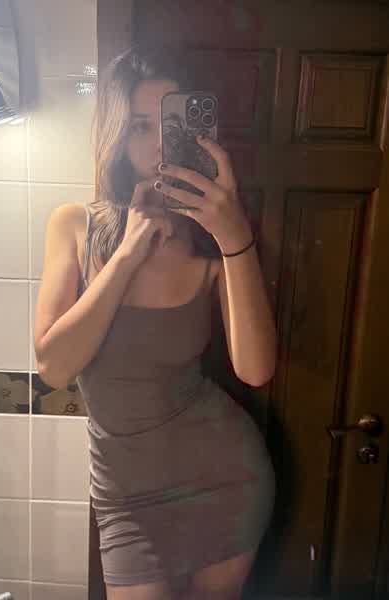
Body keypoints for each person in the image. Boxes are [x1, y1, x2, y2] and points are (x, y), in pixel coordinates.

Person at [34, 44, 277, 600]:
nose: (159, 145)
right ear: (117, 134)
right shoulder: (73, 225)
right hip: (125, 497)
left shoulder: (212, 239)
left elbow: (256, 370)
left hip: (224, 479)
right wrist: (127, 255)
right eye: (141, 126)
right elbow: (53, 366)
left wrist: (234, 235)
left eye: (170, 125)